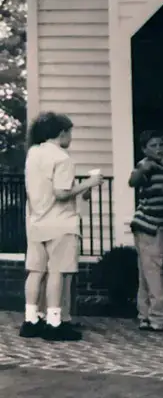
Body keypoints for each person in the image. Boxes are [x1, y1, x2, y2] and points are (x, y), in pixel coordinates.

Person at [21, 112, 103, 341]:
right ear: (61, 132)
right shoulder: (63, 158)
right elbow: (61, 193)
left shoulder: (33, 153)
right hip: (60, 222)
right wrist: (89, 183)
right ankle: (55, 321)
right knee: (58, 271)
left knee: (36, 271)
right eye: (70, 132)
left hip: (36, 220)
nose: (71, 137)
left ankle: (30, 319)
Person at [129, 129, 163, 332]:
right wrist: (144, 169)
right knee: (154, 272)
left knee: (147, 272)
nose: (158, 149)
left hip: (161, 225)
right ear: (144, 149)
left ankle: (145, 314)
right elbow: (133, 180)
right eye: (153, 146)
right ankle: (159, 316)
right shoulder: (145, 165)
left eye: (160, 145)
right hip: (149, 225)